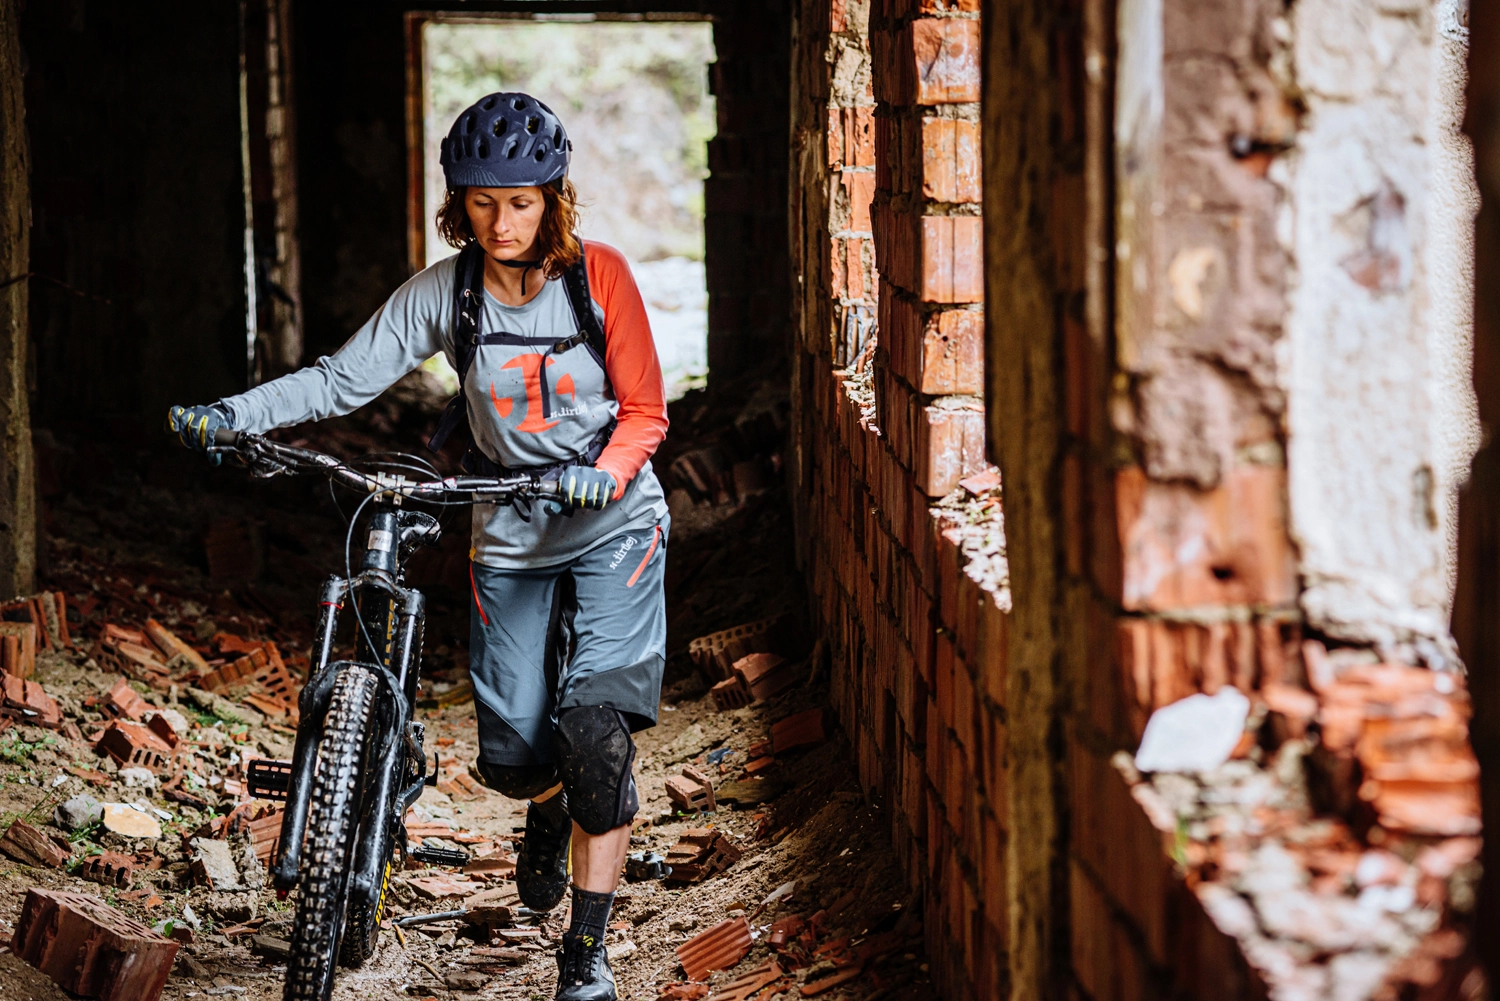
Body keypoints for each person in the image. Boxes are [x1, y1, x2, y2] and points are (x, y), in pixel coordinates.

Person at [167, 92, 669, 1001]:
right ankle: (545, 809)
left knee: (594, 738)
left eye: (521, 202)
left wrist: (605, 471)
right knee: (516, 760)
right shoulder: (451, 291)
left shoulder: (600, 278)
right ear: (458, 201)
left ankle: (585, 956)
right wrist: (236, 413)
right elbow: (342, 377)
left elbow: (644, 412)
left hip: (613, 523)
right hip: (509, 529)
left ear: (553, 199)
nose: (502, 222)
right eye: (482, 202)